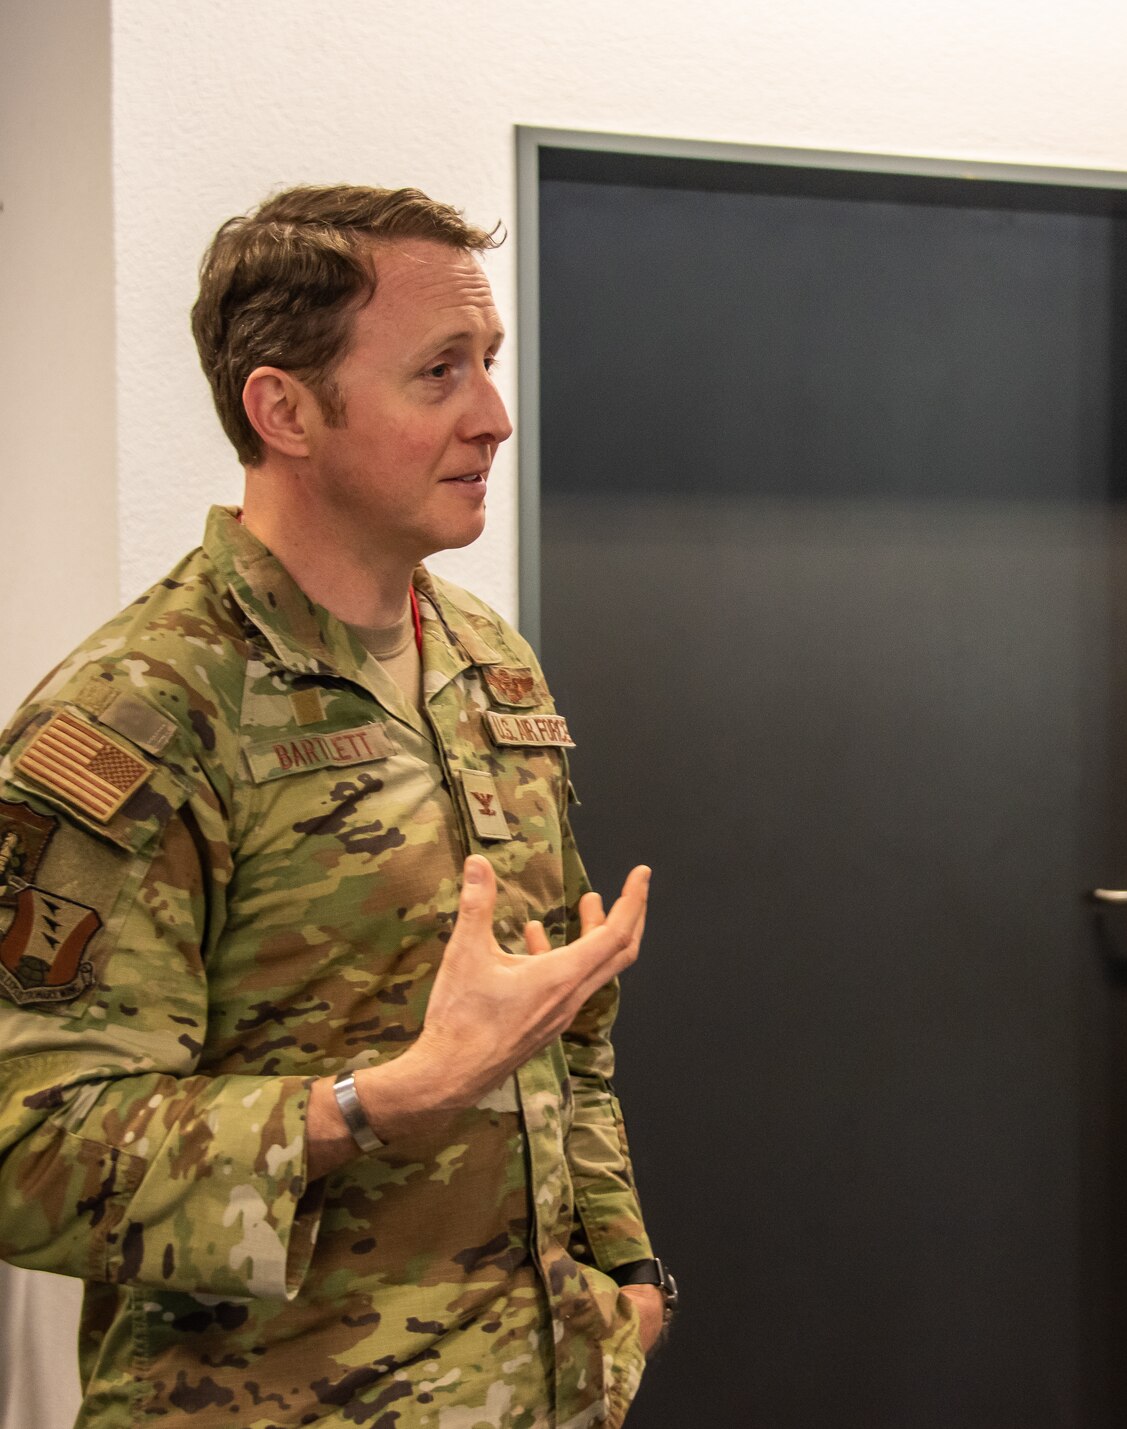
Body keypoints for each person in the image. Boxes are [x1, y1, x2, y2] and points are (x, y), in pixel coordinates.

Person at [0, 185, 668, 1427]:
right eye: (439, 373)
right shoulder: (139, 714)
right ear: (284, 408)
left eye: (490, 364)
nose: (495, 417)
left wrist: (626, 1279)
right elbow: (26, 1147)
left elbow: (563, 1037)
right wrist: (373, 1104)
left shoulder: (487, 661)